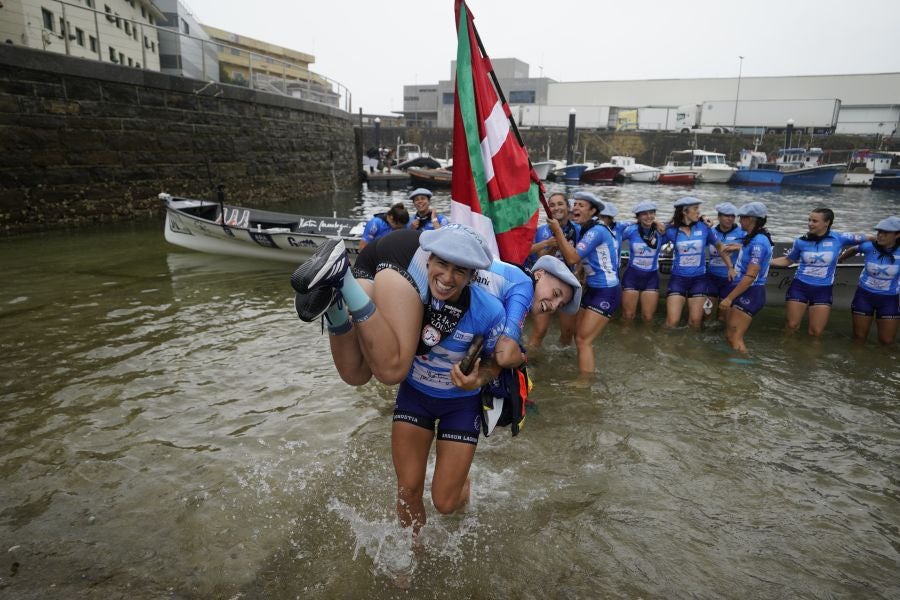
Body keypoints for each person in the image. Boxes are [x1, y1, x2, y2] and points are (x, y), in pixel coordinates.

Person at [293, 225, 505, 539]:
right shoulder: (415, 291)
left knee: (446, 503)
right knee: (407, 490)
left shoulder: (488, 310)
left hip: (459, 405)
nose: (447, 278)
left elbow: (497, 362)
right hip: (416, 398)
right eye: (441, 265)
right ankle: (412, 554)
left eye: (459, 271)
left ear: (473, 276)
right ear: (428, 262)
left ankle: (338, 306)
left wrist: (479, 378)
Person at [770, 207, 872, 337]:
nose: (810, 224)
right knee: (791, 326)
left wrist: (890, 242)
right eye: (809, 220)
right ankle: (788, 354)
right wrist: (765, 262)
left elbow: (870, 238)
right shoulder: (801, 241)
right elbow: (788, 260)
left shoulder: (839, 238)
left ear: (827, 222)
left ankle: (811, 356)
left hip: (823, 290)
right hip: (799, 287)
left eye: (815, 221)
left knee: (816, 332)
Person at [549, 191, 620, 373]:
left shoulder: (596, 231)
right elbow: (584, 259)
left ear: (593, 211)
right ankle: (580, 367)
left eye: (581, 205)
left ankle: (584, 385)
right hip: (593, 289)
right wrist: (581, 273)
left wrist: (558, 231)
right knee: (576, 335)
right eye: (575, 204)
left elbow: (572, 258)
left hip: (607, 291)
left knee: (583, 340)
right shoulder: (586, 229)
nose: (575, 208)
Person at [658, 197, 735, 329]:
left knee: (695, 323)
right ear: (684, 211)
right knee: (672, 322)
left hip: (699, 280)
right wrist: (655, 223)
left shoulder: (704, 228)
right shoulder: (671, 230)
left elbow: (720, 247)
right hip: (678, 279)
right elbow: (652, 244)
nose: (698, 212)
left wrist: (730, 267)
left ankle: (692, 349)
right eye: (695, 209)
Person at [525, 192, 580, 349]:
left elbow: (580, 257)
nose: (556, 208)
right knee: (540, 331)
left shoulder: (578, 229)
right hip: (546, 285)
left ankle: (560, 363)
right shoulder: (542, 231)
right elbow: (540, 258)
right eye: (552, 205)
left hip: (567, 287)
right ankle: (528, 365)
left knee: (568, 332)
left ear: (568, 207)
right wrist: (551, 245)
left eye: (560, 204)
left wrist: (581, 275)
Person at [718, 202, 773, 353]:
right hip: (741, 289)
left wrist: (729, 298)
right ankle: (731, 367)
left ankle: (741, 372)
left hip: (751, 291)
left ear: (751, 219)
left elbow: (750, 276)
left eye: (742, 218)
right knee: (729, 336)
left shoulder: (759, 242)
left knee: (735, 337)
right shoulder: (752, 237)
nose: (739, 221)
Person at [845, 215, 900, 345]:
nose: (880, 235)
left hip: (889, 299)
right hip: (864, 296)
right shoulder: (869, 246)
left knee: (887, 342)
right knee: (859, 338)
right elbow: (853, 249)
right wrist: (840, 259)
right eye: (879, 232)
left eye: (885, 233)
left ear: (897, 235)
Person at [620, 201, 663, 322]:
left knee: (648, 318)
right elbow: (613, 237)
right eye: (644, 214)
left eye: (651, 213)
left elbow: (679, 227)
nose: (649, 216)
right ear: (638, 217)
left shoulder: (661, 231)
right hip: (632, 275)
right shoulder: (631, 230)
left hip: (651, 277)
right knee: (628, 316)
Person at [706, 202, 745, 321]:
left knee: (722, 317)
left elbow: (755, 247)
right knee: (706, 314)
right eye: (726, 215)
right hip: (711, 277)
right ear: (718, 217)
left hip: (730, 279)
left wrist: (739, 247)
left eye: (733, 216)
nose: (730, 219)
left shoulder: (742, 233)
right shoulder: (711, 231)